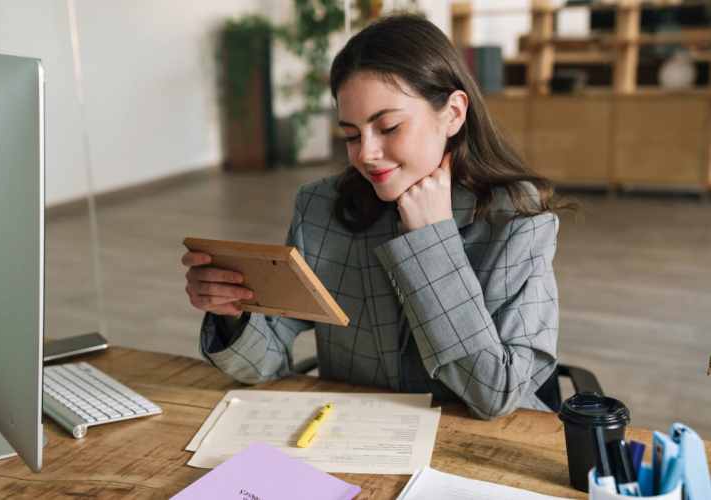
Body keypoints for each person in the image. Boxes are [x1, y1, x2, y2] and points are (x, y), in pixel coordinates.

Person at [182, 13, 575, 420]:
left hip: (476, 452)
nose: (365, 153)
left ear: (454, 113)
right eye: (351, 134)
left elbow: (496, 394)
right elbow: (263, 363)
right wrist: (232, 315)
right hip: (355, 443)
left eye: (387, 127)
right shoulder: (320, 207)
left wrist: (431, 244)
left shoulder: (518, 219)